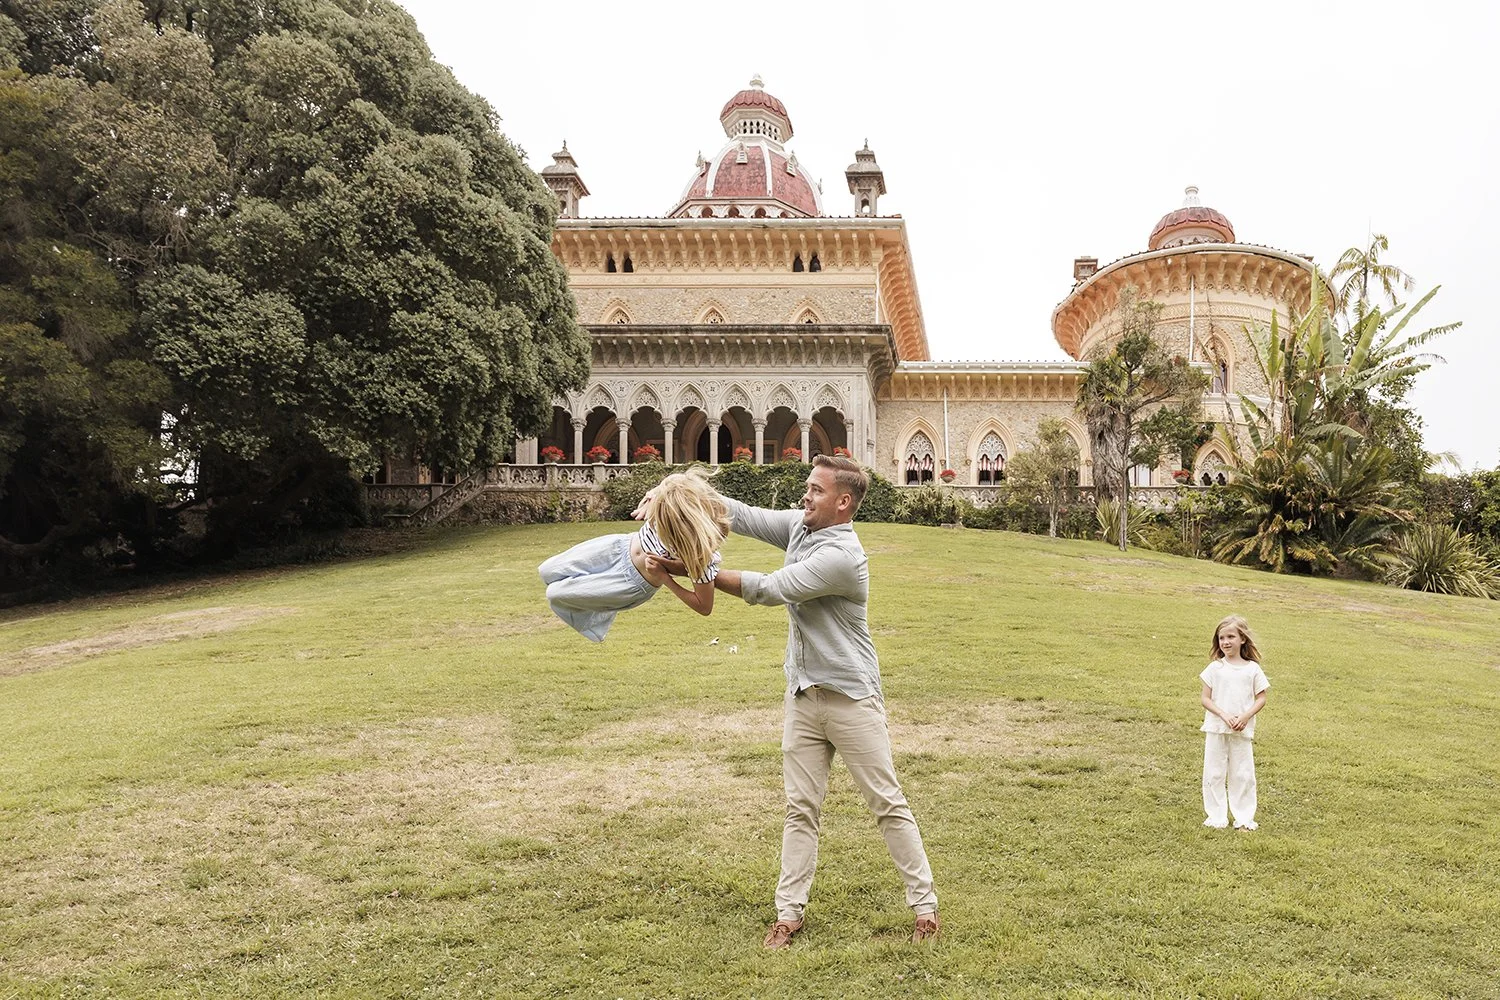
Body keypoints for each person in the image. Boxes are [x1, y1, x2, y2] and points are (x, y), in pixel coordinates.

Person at [636, 455, 939, 948]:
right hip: (803, 695)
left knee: (887, 804)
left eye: (816, 490)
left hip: (851, 699)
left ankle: (924, 908)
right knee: (801, 808)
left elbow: (770, 589)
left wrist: (698, 565)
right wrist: (671, 494)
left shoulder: (844, 557)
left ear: (843, 502)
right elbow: (741, 512)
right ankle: (789, 915)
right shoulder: (800, 528)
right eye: (807, 487)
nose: (805, 496)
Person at [538, 468, 729, 642]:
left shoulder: (702, 555)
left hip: (630, 582)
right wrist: (653, 495)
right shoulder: (672, 502)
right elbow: (672, 481)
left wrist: (665, 578)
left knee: (555, 594)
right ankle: (599, 598)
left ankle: (602, 607)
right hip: (618, 547)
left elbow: (704, 606)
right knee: (547, 570)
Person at [1199, 614, 1271, 831]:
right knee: (1214, 772)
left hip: (1241, 730)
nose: (1226, 642)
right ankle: (1216, 816)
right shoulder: (1215, 668)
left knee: (1242, 774)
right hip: (1217, 728)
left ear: (1243, 639)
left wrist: (1245, 716)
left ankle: (1244, 818)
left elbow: (1261, 698)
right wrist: (1223, 715)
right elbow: (1205, 698)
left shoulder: (1252, 669)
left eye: (1231, 636)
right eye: (1221, 638)